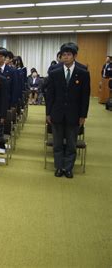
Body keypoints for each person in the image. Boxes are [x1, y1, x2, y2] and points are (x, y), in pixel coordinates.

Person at [46, 43, 90, 179]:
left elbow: (85, 96)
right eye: (63, 55)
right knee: (58, 143)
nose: (66, 57)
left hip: (74, 114)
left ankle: (68, 168)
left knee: (71, 144)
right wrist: (48, 113)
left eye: (69, 55)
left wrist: (83, 115)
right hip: (57, 113)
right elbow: (50, 95)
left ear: (74, 56)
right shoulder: (54, 72)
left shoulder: (83, 73)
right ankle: (59, 167)